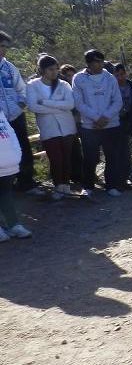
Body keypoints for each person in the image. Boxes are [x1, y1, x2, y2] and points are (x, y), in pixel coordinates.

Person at [72, 49, 125, 197]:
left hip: (111, 124)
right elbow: (79, 103)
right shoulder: (78, 78)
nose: (100, 64)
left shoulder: (110, 78)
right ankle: (88, 186)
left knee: (112, 156)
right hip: (90, 126)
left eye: (102, 61)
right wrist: (96, 118)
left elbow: (117, 101)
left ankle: (111, 186)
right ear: (88, 63)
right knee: (90, 157)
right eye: (96, 61)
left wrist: (105, 117)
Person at [26, 55, 78, 199]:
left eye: (56, 69)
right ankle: (58, 187)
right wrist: (58, 107)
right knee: (56, 158)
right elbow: (33, 106)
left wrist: (46, 102)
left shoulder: (64, 85)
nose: (54, 72)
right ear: (42, 70)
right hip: (48, 128)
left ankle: (66, 186)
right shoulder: (32, 85)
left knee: (67, 157)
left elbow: (70, 104)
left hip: (67, 127)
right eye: (50, 69)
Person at [0, 30, 42, 195]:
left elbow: (22, 90)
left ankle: (26, 182)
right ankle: (6, 187)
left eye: (5, 46)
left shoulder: (9, 67)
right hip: (0, 120)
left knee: (23, 148)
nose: (3, 49)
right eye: (0, 46)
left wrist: (18, 106)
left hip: (16, 116)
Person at [0, 110, 32, 241]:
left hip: (9, 164)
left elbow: (11, 134)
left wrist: (17, 155)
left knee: (6, 195)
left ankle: (13, 225)